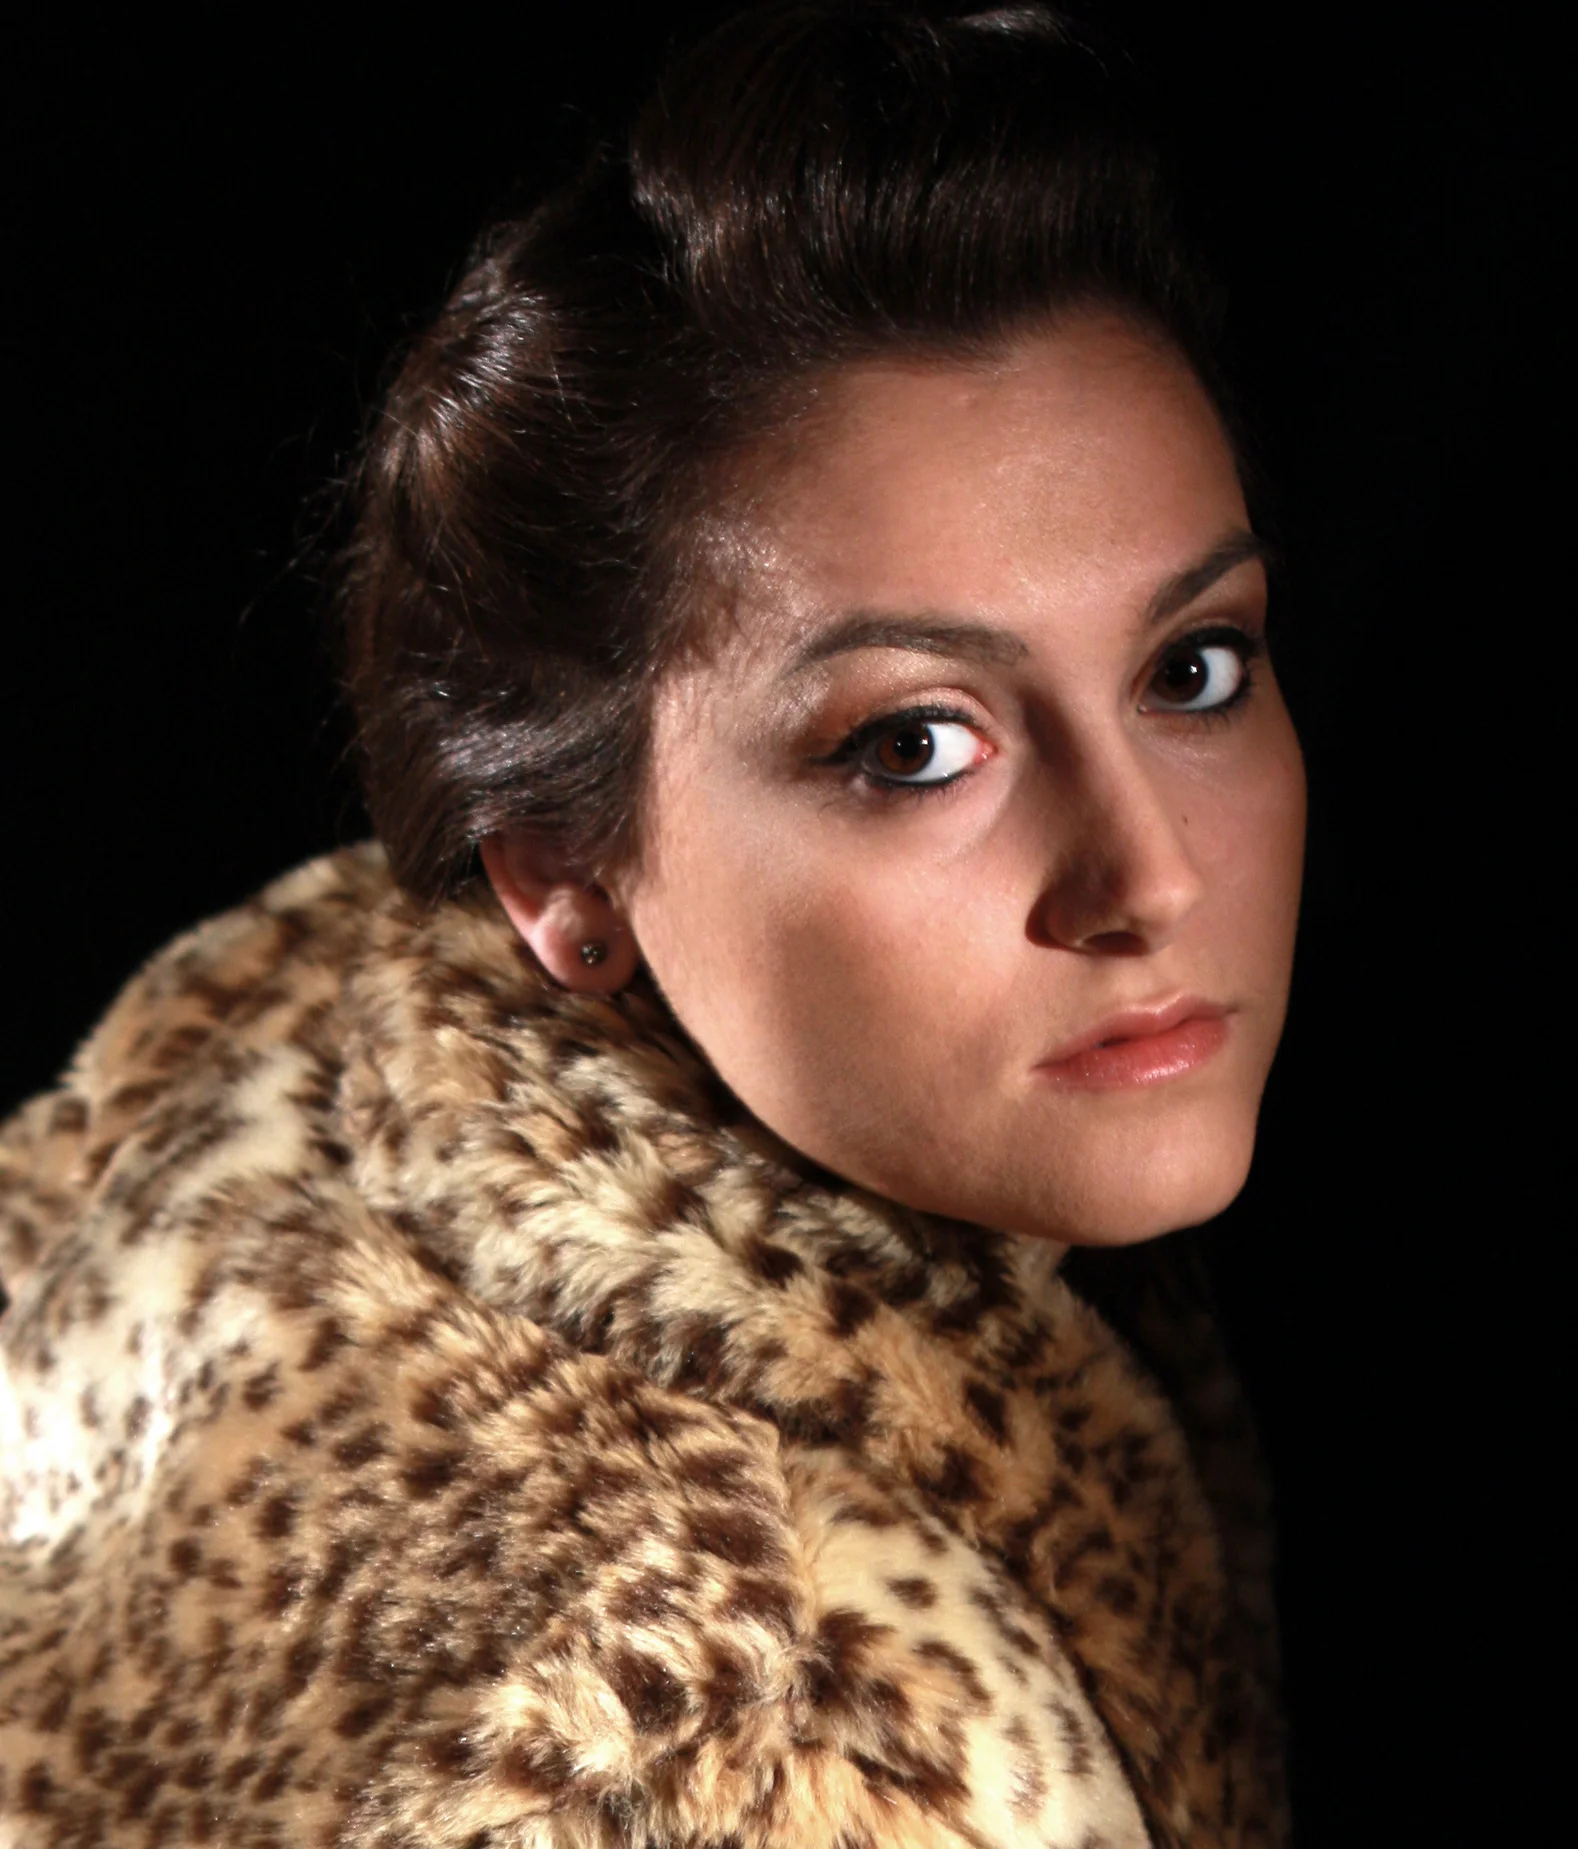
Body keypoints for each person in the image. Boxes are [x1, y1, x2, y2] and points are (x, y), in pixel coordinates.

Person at [0, 5, 1303, 1843]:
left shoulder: (276, 1062)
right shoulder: (767, 1729)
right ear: (560, 875)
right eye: (914, 745)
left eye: (1194, 667)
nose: (1148, 877)